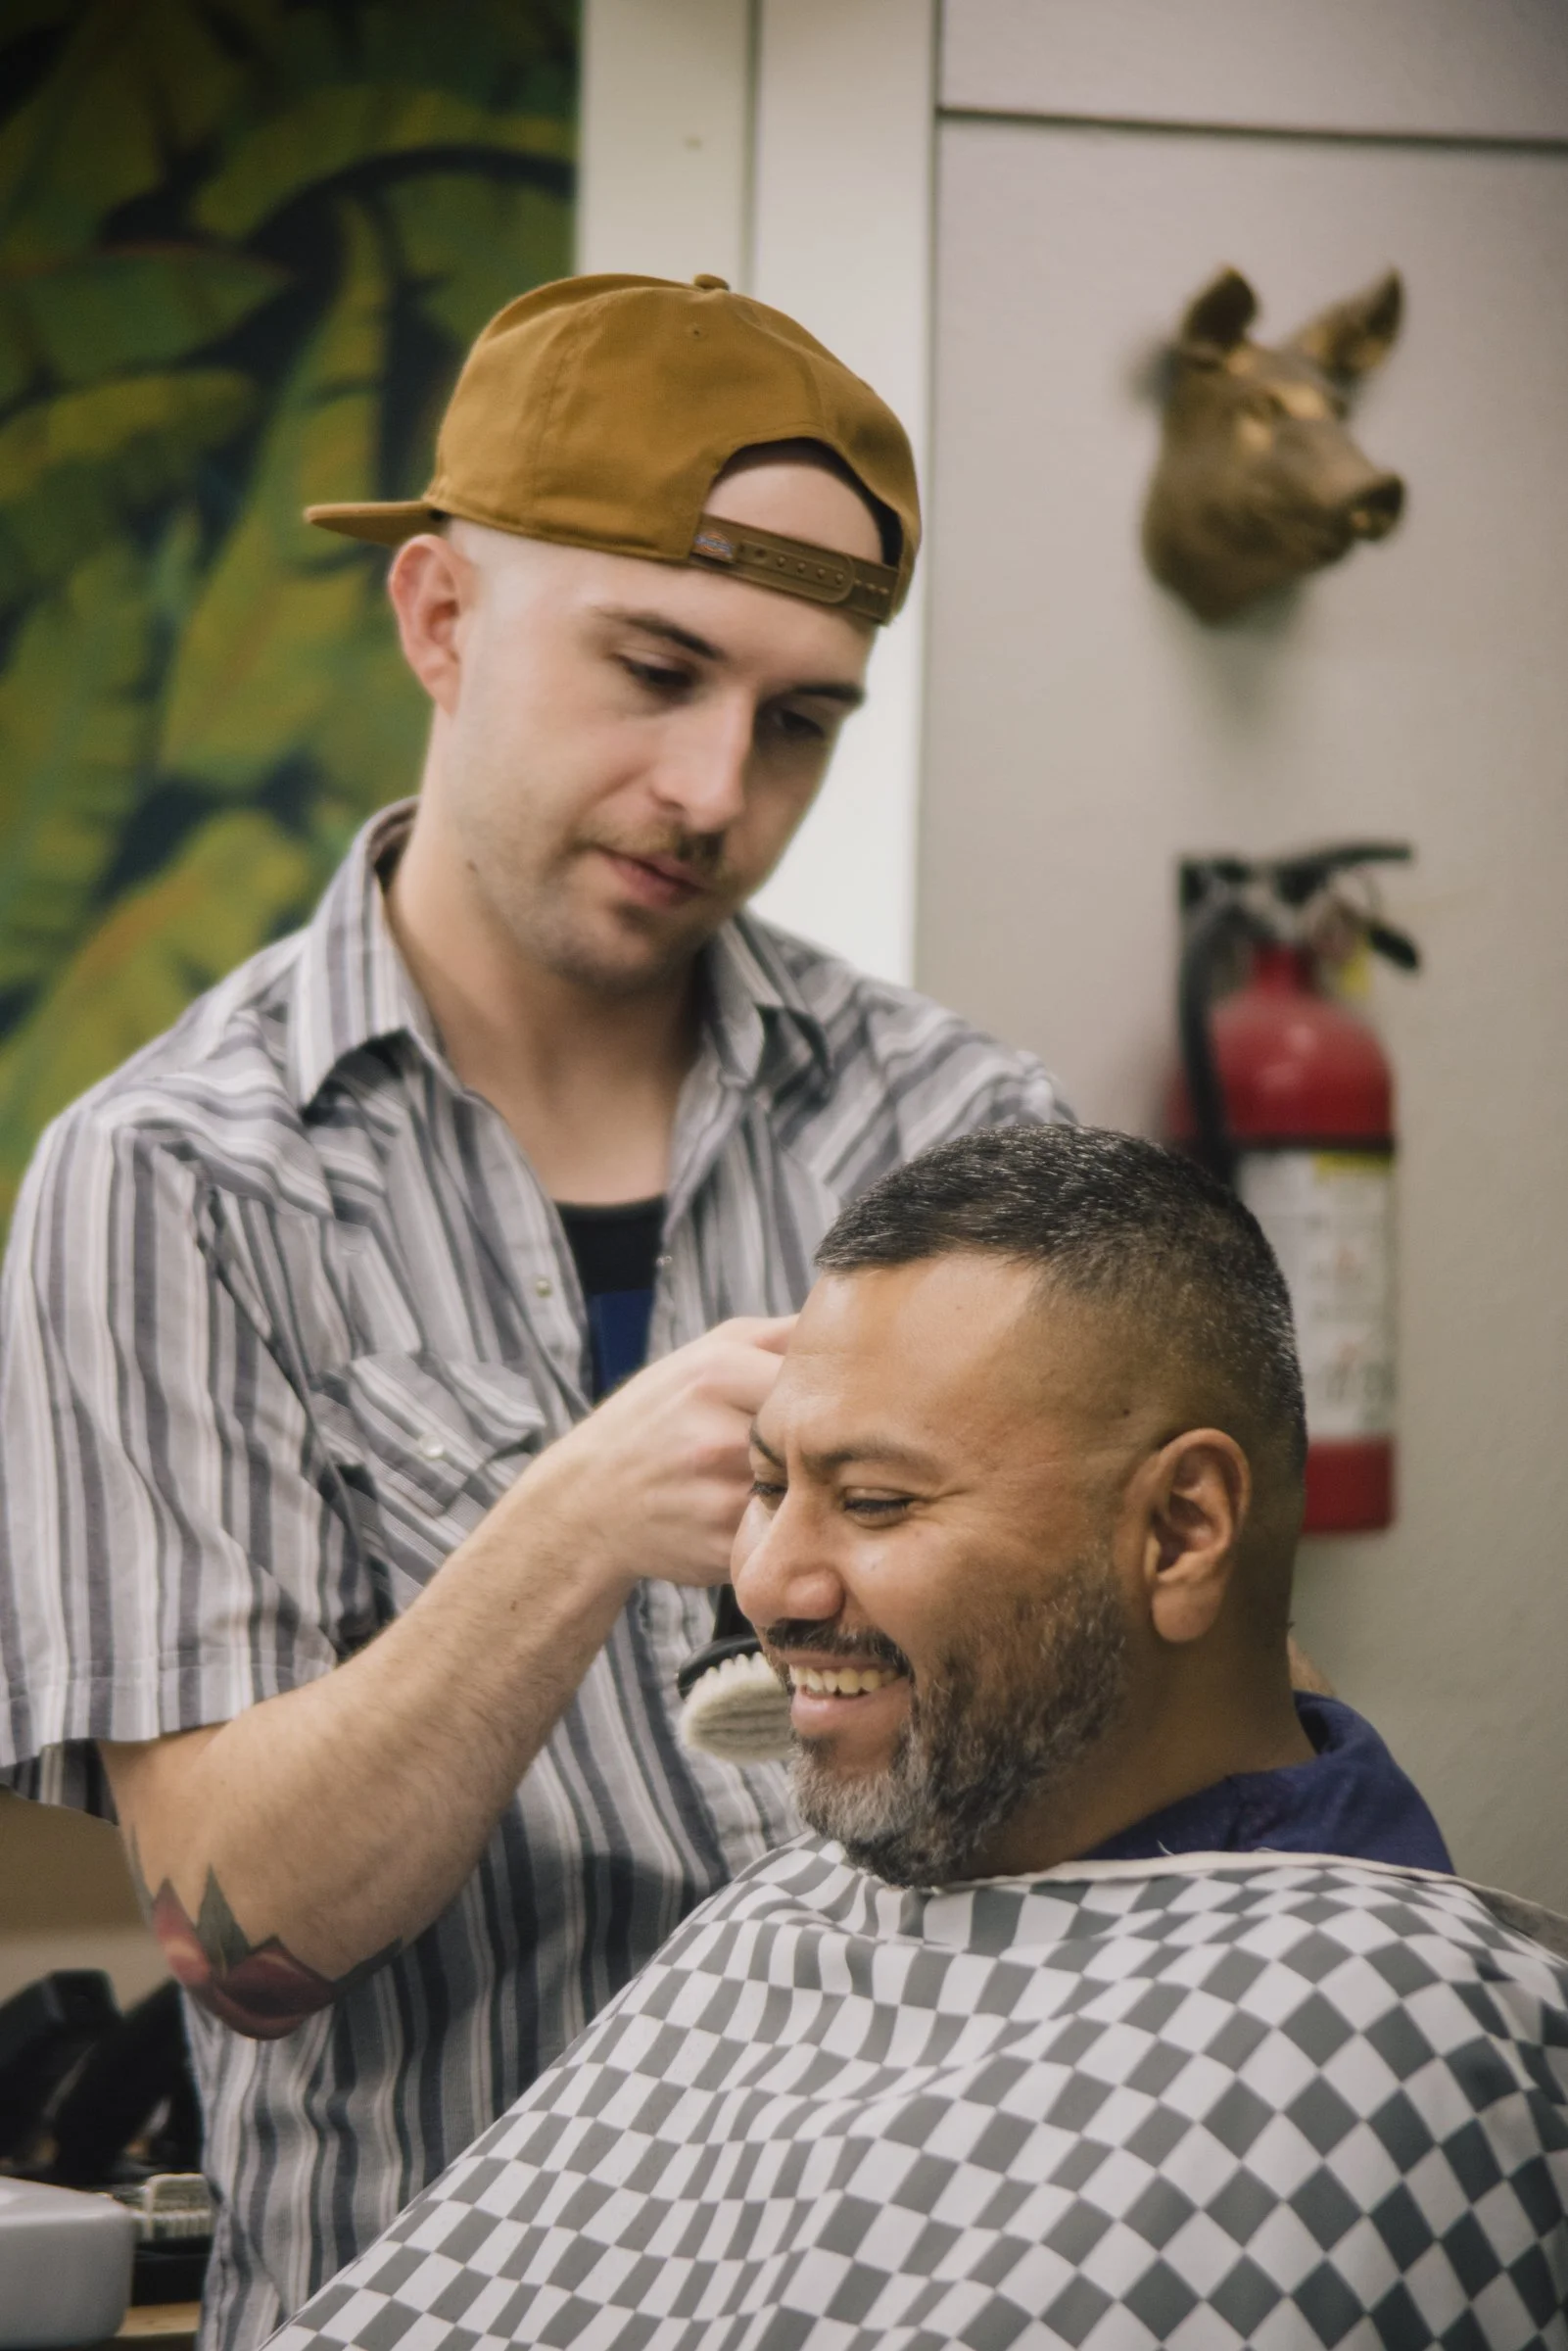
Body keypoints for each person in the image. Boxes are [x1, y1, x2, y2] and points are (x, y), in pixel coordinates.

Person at [0, 277, 1068, 2349]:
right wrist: (572, 1524)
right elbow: (242, 1942)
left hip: (914, 2300)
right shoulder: (168, 1178)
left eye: (796, 720)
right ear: (436, 616)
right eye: (652, 669)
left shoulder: (971, 1136)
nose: (708, 789)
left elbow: (1160, 1779)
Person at [267, 1127, 1568, 2351]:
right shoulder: (786, 1927)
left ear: (1178, 1533)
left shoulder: (1360, 2035)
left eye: (877, 1503)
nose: (770, 1588)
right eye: (768, 1487)